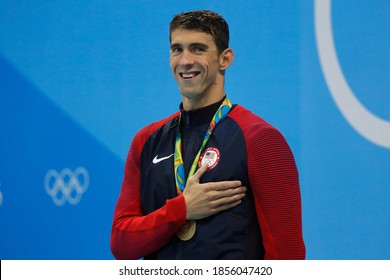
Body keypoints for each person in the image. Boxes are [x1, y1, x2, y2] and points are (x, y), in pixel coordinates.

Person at [110, 10, 305, 260]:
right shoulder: (146, 141)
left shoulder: (259, 139)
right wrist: (181, 210)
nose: (185, 61)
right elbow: (121, 244)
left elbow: (287, 253)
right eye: (176, 49)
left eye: (198, 49)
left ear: (225, 59)